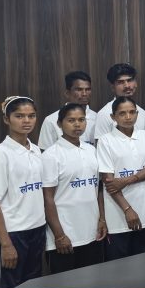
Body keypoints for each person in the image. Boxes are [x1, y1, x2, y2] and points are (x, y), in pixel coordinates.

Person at [0, 96, 45, 288]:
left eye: (31, 116)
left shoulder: (36, 150)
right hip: (12, 234)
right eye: (19, 116)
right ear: (6, 119)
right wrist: (6, 244)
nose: (26, 121)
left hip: (36, 230)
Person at [41, 103, 106, 273]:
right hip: (65, 236)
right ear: (59, 123)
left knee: (92, 283)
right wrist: (59, 235)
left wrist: (102, 219)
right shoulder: (51, 155)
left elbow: (98, 188)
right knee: (65, 286)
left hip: (92, 233)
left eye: (81, 120)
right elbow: (47, 198)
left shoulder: (91, 150)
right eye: (71, 120)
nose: (77, 124)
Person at [96, 96, 145, 260]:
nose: (128, 117)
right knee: (120, 267)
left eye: (132, 112)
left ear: (137, 114)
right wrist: (128, 209)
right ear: (113, 117)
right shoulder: (105, 141)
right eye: (122, 113)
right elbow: (109, 182)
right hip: (118, 216)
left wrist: (125, 180)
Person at [38, 71, 97, 149]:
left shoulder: (97, 118)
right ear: (67, 93)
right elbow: (45, 151)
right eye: (79, 89)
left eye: (88, 89)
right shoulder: (51, 120)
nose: (84, 94)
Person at [94, 63, 145, 142]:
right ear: (113, 87)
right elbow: (100, 145)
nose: (127, 86)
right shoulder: (104, 114)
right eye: (120, 82)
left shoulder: (143, 114)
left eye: (129, 80)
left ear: (136, 83)